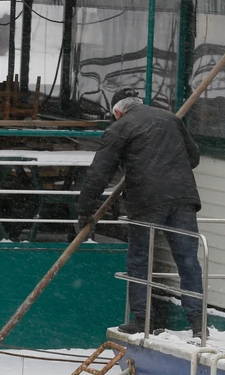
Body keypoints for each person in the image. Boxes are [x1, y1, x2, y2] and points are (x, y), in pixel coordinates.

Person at [76, 90, 204, 338]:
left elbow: (98, 175)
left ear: (117, 112)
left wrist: (85, 212)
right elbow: (194, 157)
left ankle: (144, 320)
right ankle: (198, 323)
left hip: (146, 202)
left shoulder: (119, 128)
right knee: (188, 262)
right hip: (183, 198)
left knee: (140, 261)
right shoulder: (169, 119)